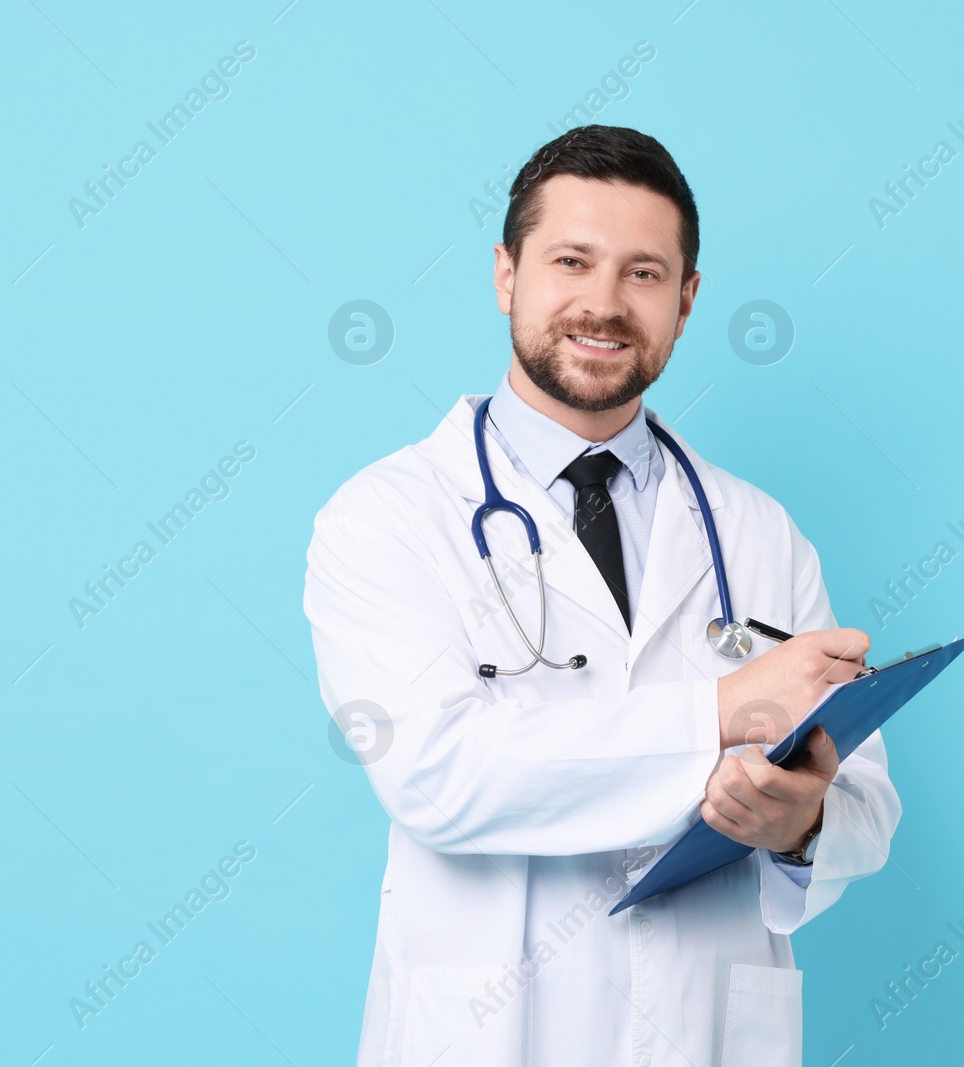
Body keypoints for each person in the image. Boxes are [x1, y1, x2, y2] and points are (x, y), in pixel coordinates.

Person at [304, 124, 900, 1067]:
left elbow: (865, 798)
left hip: (706, 1031)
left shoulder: (757, 530)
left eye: (644, 273)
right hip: (493, 1030)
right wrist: (724, 710)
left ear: (687, 299)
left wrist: (802, 824)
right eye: (571, 260)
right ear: (506, 274)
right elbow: (434, 772)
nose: (605, 303)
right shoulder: (388, 515)